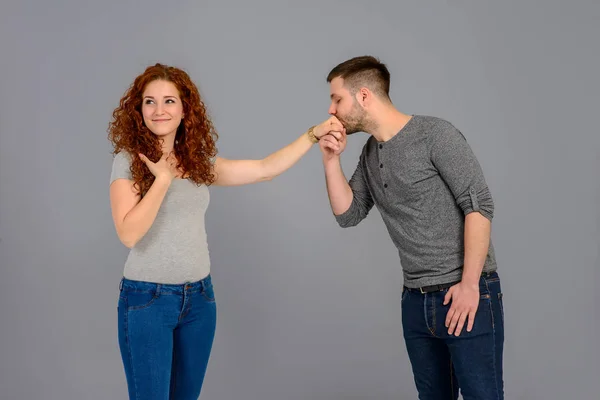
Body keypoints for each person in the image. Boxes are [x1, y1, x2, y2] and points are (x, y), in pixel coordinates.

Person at [107, 63, 343, 400]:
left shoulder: (196, 162)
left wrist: (312, 135)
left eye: (170, 101)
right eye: (150, 101)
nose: (160, 110)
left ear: (185, 108)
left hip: (199, 301)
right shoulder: (129, 159)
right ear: (138, 109)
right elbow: (129, 233)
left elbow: (264, 170)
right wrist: (161, 181)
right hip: (147, 301)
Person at [318, 56, 504, 399]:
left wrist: (469, 285)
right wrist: (331, 160)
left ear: (362, 96)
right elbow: (349, 214)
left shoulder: (435, 134)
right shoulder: (371, 153)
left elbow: (479, 207)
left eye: (337, 99)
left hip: (464, 293)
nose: (331, 110)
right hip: (416, 301)